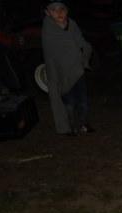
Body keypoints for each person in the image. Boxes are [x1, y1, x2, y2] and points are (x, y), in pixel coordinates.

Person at [41, 1, 93, 135]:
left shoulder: (72, 24)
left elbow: (80, 41)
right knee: (69, 102)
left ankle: (83, 124)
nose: (59, 13)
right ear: (48, 13)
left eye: (62, 9)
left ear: (67, 10)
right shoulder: (48, 29)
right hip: (62, 73)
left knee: (83, 100)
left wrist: (85, 50)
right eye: (54, 10)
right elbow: (53, 55)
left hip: (77, 70)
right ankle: (70, 127)